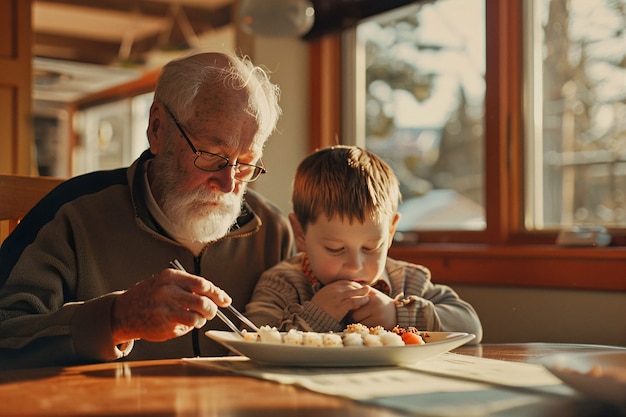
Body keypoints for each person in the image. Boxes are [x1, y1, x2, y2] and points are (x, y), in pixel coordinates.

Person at [0, 51, 294, 369]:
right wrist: (116, 319)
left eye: (246, 163)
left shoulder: (273, 232)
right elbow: (6, 334)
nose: (228, 184)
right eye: (212, 155)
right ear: (157, 129)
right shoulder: (72, 215)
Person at [245, 145, 483, 342]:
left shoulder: (407, 281)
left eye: (370, 248)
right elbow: (252, 343)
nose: (354, 266)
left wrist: (396, 314)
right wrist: (316, 316)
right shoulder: (283, 285)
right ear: (300, 233)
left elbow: (471, 328)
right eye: (335, 249)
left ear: (390, 232)